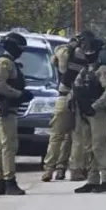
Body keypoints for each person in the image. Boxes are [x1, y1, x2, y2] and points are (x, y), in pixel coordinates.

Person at [40, 33, 91, 183]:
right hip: (80, 100)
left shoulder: (65, 54)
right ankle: (75, 170)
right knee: (77, 137)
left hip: (64, 98)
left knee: (57, 136)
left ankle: (49, 169)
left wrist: (71, 45)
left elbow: (58, 60)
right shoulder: (88, 58)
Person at [72, 35, 106, 194]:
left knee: (99, 145)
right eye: (85, 50)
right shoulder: (84, 71)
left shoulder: (103, 70)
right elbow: (76, 89)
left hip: (98, 112)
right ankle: (92, 179)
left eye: (90, 51)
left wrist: (95, 106)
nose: (87, 53)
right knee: (88, 147)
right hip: (84, 112)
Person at [0, 31, 28, 196]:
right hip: (5, 108)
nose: (21, 52)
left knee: (2, 146)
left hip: (9, 108)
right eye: (20, 48)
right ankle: (9, 181)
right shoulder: (4, 62)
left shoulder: (10, 62)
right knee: (9, 146)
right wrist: (19, 95)